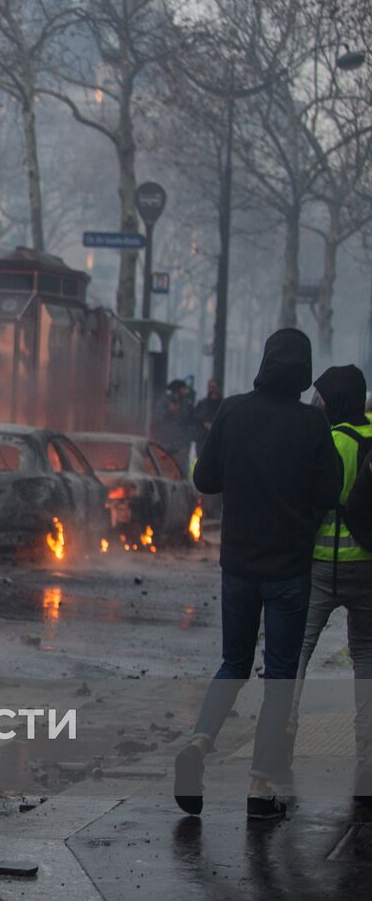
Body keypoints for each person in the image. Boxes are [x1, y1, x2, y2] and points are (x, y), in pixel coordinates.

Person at [174, 328, 341, 820]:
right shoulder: (312, 423)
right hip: (289, 567)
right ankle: (258, 788)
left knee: (233, 662)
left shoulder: (232, 410)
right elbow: (329, 491)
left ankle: (200, 742)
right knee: (281, 677)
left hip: (239, 565)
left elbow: (205, 479)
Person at [289, 365, 372, 804]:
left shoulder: (332, 439)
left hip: (324, 565)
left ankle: (279, 746)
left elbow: (313, 497)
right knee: (366, 661)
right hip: (370, 568)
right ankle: (367, 765)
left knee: (296, 653)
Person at [192, 379, 223, 453]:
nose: (212, 389)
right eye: (210, 387)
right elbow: (195, 418)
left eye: (214, 387)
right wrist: (204, 424)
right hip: (202, 440)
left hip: (217, 439)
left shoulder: (223, 403)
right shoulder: (202, 403)